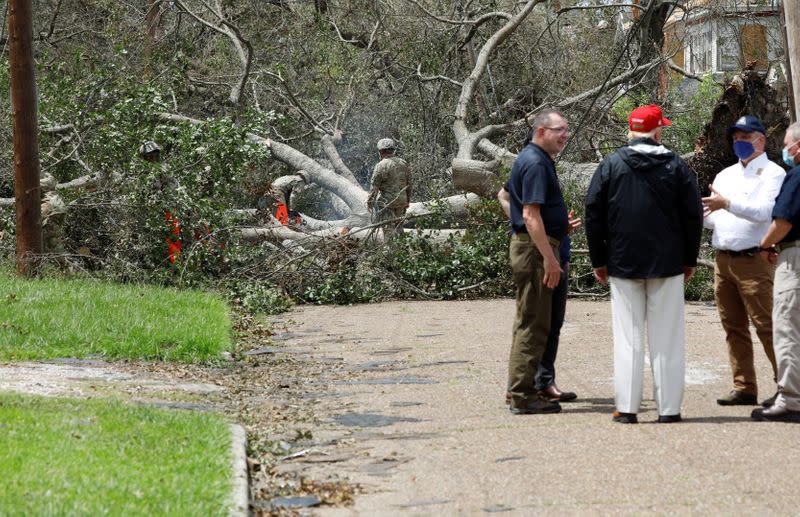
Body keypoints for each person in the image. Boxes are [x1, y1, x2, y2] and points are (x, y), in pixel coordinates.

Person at [584, 104, 703, 424]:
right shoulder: (676, 165)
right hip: (667, 261)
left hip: (622, 261)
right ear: (658, 131)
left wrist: (599, 258)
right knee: (668, 337)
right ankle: (668, 410)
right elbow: (693, 215)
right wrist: (689, 258)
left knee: (628, 337)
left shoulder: (611, 164)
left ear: (630, 130)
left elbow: (593, 212)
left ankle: (627, 408)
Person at [702, 115, 785, 407]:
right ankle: (744, 387)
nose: (739, 142)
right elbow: (714, 219)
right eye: (736, 137)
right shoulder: (725, 175)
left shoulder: (774, 174)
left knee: (767, 326)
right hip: (723, 260)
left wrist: (727, 205)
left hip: (755, 260)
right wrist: (705, 215)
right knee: (733, 326)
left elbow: (765, 212)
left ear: (760, 141)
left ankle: (788, 388)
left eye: (745, 137)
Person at [503, 109, 576, 415]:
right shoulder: (534, 162)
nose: (565, 135)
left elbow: (506, 198)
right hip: (535, 253)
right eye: (560, 129)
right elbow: (531, 215)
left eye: (567, 129)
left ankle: (521, 389)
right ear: (541, 131)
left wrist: (553, 228)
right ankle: (523, 396)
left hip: (535, 246)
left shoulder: (537, 159)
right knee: (534, 324)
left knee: (533, 321)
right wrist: (549, 258)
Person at [499, 187, 579, 403]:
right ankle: (521, 387)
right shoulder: (532, 164)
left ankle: (544, 383)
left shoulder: (544, 165)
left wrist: (561, 226)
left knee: (553, 324)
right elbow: (503, 196)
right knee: (534, 323)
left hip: (558, 252)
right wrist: (527, 226)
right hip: (542, 257)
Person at [752, 121, 800, 423]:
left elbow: (783, 222)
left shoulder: (796, 176)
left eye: (787, 144)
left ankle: (791, 399)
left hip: (794, 258)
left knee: (788, 327)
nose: (785, 150)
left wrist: (765, 244)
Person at [367, 138, 411, 240]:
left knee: (388, 232)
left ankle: (391, 254)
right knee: (399, 229)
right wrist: (407, 200)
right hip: (402, 202)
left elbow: (374, 188)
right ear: (392, 150)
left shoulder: (381, 165)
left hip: (387, 204)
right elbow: (409, 184)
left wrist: (370, 202)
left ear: (381, 151)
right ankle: (403, 252)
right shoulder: (403, 163)